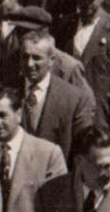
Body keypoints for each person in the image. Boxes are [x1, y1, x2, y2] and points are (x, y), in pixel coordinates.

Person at [17, 28, 98, 166]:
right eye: (25, 57)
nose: (29, 64)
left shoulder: (74, 99)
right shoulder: (8, 91)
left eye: (36, 58)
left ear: (51, 60)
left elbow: (81, 153)